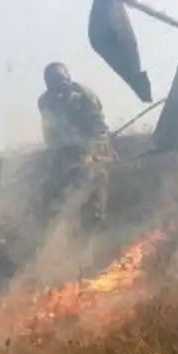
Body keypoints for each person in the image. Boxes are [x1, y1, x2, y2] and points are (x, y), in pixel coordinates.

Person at [37, 62, 115, 231]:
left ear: (68, 79)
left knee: (94, 176)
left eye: (60, 80)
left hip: (92, 145)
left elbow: (99, 127)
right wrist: (59, 148)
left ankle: (97, 217)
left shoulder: (84, 96)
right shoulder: (45, 102)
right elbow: (50, 130)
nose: (58, 87)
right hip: (66, 150)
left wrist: (92, 149)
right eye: (53, 82)